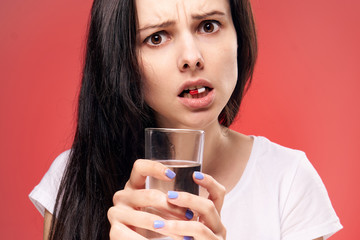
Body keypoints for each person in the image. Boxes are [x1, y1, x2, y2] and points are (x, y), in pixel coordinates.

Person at [29, 0, 343, 239]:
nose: (191, 57)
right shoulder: (73, 180)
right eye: (156, 37)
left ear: (239, 36)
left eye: (208, 26)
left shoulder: (288, 180)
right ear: (121, 60)